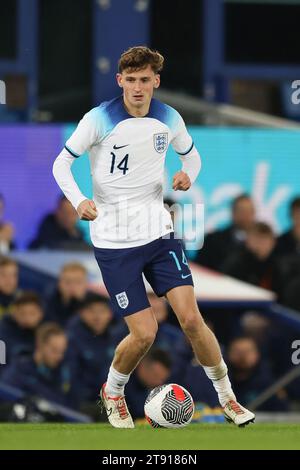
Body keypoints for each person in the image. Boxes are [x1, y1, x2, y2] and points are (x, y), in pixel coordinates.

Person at [52, 46, 254, 428]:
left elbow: (191, 157)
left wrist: (187, 175)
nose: (138, 88)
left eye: (145, 80)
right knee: (144, 333)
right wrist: (79, 200)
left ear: (156, 81)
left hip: (159, 235)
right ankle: (113, 392)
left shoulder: (169, 117)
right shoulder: (98, 119)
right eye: (131, 80)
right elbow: (61, 163)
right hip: (113, 242)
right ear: (120, 81)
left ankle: (228, 399)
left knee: (192, 319)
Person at [1, 323, 72, 407]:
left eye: (62, 352)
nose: (60, 356)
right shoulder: (19, 371)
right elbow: (4, 399)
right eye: (54, 350)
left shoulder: (64, 372)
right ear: (40, 345)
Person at [66, 293, 115, 407]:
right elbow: (72, 379)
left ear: (110, 314)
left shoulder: (117, 339)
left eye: (102, 311)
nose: (97, 317)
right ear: (82, 313)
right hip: (82, 403)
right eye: (92, 311)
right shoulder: (72, 340)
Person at [195, 194, 255, 271]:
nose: (246, 215)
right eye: (242, 211)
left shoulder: (259, 248)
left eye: (249, 211)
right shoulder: (213, 240)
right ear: (233, 212)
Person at [0, 291, 44, 371]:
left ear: (40, 314)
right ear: (15, 313)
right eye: (23, 313)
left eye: (32, 313)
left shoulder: (45, 336)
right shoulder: (3, 331)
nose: (27, 318)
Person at [45, 262, 88, 327]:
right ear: (59, 284)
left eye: (78, 282)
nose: (72, 286)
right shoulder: (46, 305)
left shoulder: (96, 305)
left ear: (86, 284)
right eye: (67, 282)